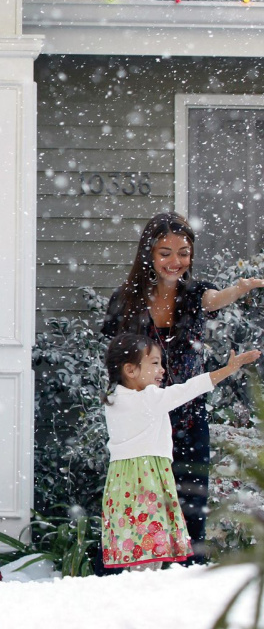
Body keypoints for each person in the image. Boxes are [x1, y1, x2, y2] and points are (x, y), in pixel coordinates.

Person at [102, 212, 264, 562]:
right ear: (149, 253)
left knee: (191, 512)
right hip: (144, 424)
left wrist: (239, 289)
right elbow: (116, 361)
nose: (175, 261)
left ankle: (189, 577)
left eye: (184, 252)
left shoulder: (194, 294)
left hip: (189, 419)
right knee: (143, 514)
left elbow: (215, 299)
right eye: (165, 253)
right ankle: (139, 579)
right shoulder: (126, 300)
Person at [101, 333, 259, 570]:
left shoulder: (113, 400)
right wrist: (228, 369)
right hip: (147, 477)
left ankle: (136, 583)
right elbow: (188, 389)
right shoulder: (150, 399)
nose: (162, 370)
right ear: (130, 370)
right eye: (155, 363)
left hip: (120, 481)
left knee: (134, 544)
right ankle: (146, 587)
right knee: (151, 547)